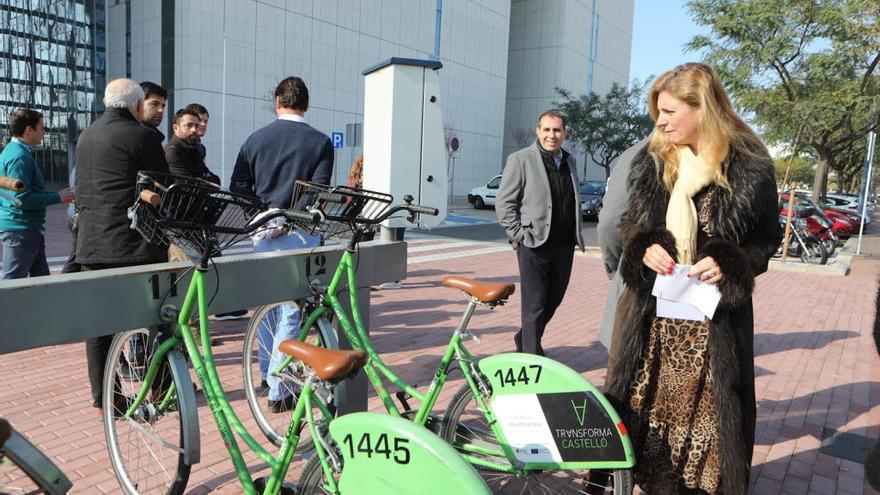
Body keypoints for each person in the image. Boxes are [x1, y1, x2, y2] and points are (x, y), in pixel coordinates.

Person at [603, 63, 781, 494]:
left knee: (710, 429)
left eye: (668, 111)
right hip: (652, 321)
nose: (659, 122)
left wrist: (732, 261)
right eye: (657, 113)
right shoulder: (653, 160)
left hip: (713, 327)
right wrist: (643, 245)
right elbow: (628, 223)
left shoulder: (751, 165)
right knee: (643, 418)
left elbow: (766, 238)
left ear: (702, 107)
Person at [230, 76, 333, 412]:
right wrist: (288, 217)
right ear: (306, 104)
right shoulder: (319, 142)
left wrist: (263, 215)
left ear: (277, 101)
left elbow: (239, 187)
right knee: (291, 309)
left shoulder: (255, 140)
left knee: (267, 306)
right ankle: (279, 390)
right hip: (299, 232)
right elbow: (318, 190)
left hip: (261, 232)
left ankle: (264, 373)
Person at [75, 78, 170, 416]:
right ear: (137, 105)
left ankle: (106, 399)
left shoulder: (86, 135)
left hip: (91, 244)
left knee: (99, 327)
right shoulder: (143, 136)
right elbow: (165, 185)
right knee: (157, 316)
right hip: (133, 245)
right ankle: (161, 388)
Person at [496, 110, 585, 356]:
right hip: (534, 243)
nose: (551, 135)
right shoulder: (520, 159)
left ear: (565, 133)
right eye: (546, 129)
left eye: (556, 130)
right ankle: (530, 356)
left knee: (553, 299)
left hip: (564, 244)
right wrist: (518, 235)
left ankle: (525, 337)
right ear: (538, 131)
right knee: (534, 304)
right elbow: (504, 203)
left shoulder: (569, 160)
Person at [0, 109, 75, 278]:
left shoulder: (15, 151)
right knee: (13, 283)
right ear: (29, 130)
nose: (44, 132)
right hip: (21, 229)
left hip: (25, 229)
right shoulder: (19, 156)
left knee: (41, 282)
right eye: (41, 128)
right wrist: (57, 197)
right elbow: (20, 199)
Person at [596, 137, 650, 350]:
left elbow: (609, 224)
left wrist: (621, 265)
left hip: (642, 284)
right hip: (706, 306)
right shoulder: (730, 152)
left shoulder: (638, 153)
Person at [165, 108, 220, 184]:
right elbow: (186, 186)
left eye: (196, 126)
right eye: (189, 125)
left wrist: (198, 179)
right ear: (176, 128)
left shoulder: (193, 149)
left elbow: (216, 182)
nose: (194, 130)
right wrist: (202, 179)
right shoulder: (172, 151)